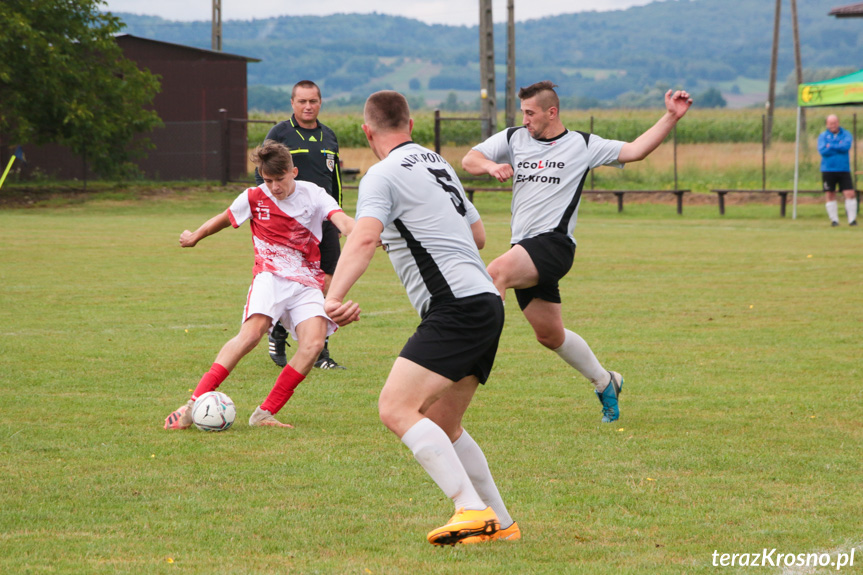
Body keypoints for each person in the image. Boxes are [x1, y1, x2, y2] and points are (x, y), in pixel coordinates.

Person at [324, 91, 518, 546]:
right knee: (444, 424)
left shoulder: (380, 175)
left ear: (367, 133)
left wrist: (333, 297)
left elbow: (364, 239)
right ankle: (502, 524)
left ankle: (470, 510)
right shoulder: (436, 162)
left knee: (395, 407)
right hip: (486, 302)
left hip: (456, 307)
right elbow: (479, 234)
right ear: (411, 126)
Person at [462, 81, 692, 423]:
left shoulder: (583, 145)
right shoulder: (513, 138)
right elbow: (469, 159)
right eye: (522, 112)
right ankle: (606, 381)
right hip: (524, 247)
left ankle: (470, 358)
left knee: (495, 273)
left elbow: (635, 150)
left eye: (530, 113)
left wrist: (671, 117)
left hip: (554, 245)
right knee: (549, 335)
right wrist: (491, 167)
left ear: (551, 112)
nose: (524, 119)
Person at [165, 141, 354, 430]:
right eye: (268, 180)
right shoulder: (254, 197)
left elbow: (342, 221)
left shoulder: (314, 195)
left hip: (305, 281)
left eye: (280, 179)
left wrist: (365, 234)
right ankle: (192, 405)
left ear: (294, 171)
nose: (274, 187)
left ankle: (264, 413)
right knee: (252, 334)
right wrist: (195, 236)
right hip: (270, 276)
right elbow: (224, 218)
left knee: (314, 344)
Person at [255, 80, 348, 369]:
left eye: (313, 101)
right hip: (292, 225)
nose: (308, 107)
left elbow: (335, 183)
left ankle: (317, 349)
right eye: (302, 102)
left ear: (320, 103)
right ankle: (283, 331)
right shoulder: (280, 133)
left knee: (330, 280)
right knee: (294, 281)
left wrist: (339, 216)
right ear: (293, 104)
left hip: (325, 220)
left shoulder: (329, 136)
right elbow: (263, 177)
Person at [817, 114, 857, 227]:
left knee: (849, 193)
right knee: (830, 194)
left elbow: (846, 147)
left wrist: (831, 146)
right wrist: (837, 146)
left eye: (834, 123)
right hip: (828, 169)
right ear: (827, 124)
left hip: (843, 169)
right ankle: (834, 220)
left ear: (838, 123)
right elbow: (823, 151)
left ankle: (852, 220)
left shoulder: (846, 134)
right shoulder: (823, 136)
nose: (832, 125)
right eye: (830, 123)